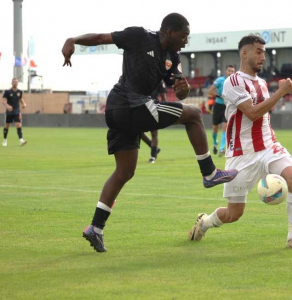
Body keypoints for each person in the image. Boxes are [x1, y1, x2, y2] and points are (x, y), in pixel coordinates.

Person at [62, 13, 238, 253]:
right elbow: (102, 37)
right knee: (195, 115)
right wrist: (73, 39)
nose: (186, 42)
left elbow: (180, 93)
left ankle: (96, 228)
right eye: (184, 36)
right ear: (169, 32)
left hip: (120, 112)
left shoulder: (172, 57)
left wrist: (184, 88)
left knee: (125, 171)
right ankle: (209, 172)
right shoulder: (138, 36)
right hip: (129, 104)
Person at [188, 35, 292, 250]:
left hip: (268, 146)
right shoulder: (233, 81)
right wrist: (281, 92)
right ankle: (205, 222)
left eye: (264, 51)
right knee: (234, 213)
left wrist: (276, 93)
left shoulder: (261, 82)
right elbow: (252, 113)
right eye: (259, 51)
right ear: (245, 53)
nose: (263, 56)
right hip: (241, 155)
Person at [208, 65, 236, 156]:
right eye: (229, 71)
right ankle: (215, 142)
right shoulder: (220, 80)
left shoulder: (235, 82)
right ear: (226, 71)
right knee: (215, 128)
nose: (231, 73)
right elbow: (210, 91)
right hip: (218, 106)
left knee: (225, 127)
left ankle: (221, 148)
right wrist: (220, 96)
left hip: (227, 106)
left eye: (232, 71)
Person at [140, 80, 166, 163]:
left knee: (154, 132)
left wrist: (163, 109)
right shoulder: (140, 77)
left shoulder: (159, 80)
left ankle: (153, 157)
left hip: (153, 105)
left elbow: (163, 96)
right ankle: (155, 148)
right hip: (141, 106)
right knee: (139, 132)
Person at [2, 78, 27, 147]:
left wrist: (23, 103)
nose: (15, 83)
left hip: (17, 111)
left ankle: (21, 140)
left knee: (18, 125)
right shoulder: (7, 91)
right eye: (14, 82)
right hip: (9, 112)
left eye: (16, 82)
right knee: (7, 126)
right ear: (11, 83)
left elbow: (20, 98)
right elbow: (3, 100)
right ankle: (4, 140)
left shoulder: (20, 92)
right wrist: (7, 106)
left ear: (17, 83)